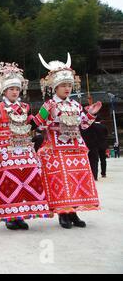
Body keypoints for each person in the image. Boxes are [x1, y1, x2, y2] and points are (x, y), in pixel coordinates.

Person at [34, 53, 102, 229]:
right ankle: (63, 213)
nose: (67, 89)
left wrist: (91, 114)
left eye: (69, 85)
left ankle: (74, 211)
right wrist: (51, 121)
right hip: (56, 148)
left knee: (74, 180)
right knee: (61, 181)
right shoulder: (48, 105)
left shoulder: (75, 105)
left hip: (76, 147)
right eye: (63, 85)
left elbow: (84, 125)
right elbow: (38, 125)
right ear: (55, 87)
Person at [0, 62, 51, 230]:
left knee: (27, 178)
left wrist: (45, 110)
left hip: (25, 148)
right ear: (4, 91)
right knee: (8, 181)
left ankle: (21, 213)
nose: (15, 92)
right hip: (5, 148)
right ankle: (10, 216)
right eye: (11, 89)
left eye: (17, 89)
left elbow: (33, 124)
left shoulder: (25, 107)